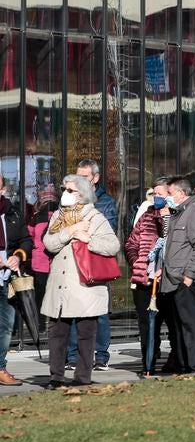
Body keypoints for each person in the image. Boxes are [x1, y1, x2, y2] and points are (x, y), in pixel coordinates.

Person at [41, 174, 121, 388]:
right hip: (60, 285)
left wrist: (89, 240)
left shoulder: (94, 217)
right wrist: (70, 232)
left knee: (86, 334)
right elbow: (49, 243)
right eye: (64, 189)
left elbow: (113, 245)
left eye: (70, 190)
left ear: (82, 194)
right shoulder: (58, 216)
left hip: (85, 285)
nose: (64, 193)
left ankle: (82, 377)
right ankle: (56, 377)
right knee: (57, 333)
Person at [158, 177, 195, 374]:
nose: (167, 198)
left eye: (170, 194)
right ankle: (183, 365)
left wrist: (189, 276)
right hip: (172, 280)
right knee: (178, 327)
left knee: (190, 324)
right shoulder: (178, 213)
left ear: (181, 194)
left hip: (185, 280)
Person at [68, 159, 114, 372]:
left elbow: (110, 231)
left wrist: (86, 233)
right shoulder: (69, 200)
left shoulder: (105, 202)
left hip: (96, 260)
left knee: (99, 311)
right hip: (73, 261)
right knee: (73, 310)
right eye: (78, 176)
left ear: (95, 178)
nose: (80, 181)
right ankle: (72, 355)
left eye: (84, 177)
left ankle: (101, 354)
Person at [125, 178, 169, 376]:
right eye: (155, 194)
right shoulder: (147, 216)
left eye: (161, 194)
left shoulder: (178, 216)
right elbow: (131, 244)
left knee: (171, 322)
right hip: (145, 279)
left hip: (168, 280)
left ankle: (177, 361)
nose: (157, 198)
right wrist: (137, 262)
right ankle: (148, 363)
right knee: (147, 324)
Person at [0, 183, 33, 386]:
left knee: (4, 327)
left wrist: (18, 257)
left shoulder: (12, 213)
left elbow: (26, 240)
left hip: (6, 279)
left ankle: (1, 368)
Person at [27, 184, 57, 309]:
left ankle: (40, 324)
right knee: (56, 294)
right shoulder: (61, 216)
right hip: (56, 261)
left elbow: (29, 236)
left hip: (39, 261)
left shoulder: (36, 217)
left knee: (40, 295)